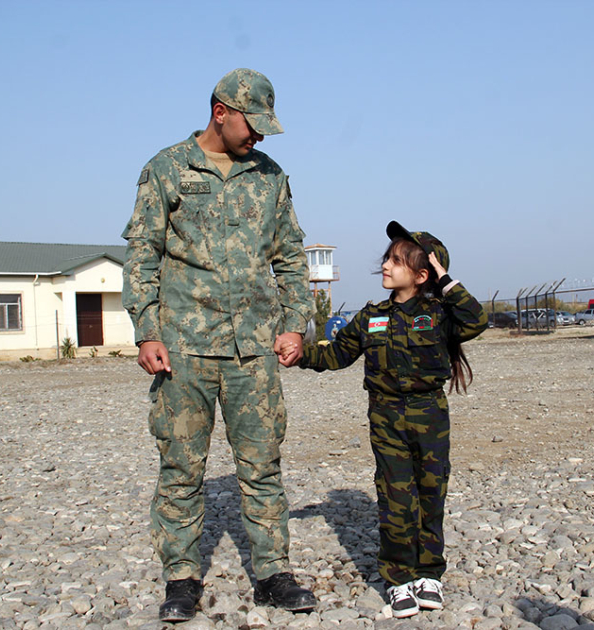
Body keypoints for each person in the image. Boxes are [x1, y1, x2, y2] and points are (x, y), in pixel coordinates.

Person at [121, 68, 316, 623]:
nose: (259, 136)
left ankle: (273, 572)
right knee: (181, 467)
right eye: (252, 125)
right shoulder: (167, 169)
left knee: (262, 464)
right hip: (184, 347)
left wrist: (296, 322)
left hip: (253, 348)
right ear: (220, 112)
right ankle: (181, 578)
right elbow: (142, 254)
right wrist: (148, 330)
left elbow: (292, 256)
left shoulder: (271, 177)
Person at [286, 221, 487, 618]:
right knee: (396, 498)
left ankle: (429, 573)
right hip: (386, 417)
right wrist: (300, 355)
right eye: (387, 259)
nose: (386, 266)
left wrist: (444, 279)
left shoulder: (441, 313)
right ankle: (398, 579)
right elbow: (336, 354)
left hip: (430, 416)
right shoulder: (371, 316)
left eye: (397, 261)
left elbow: (476, 319)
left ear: (422, 273)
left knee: (431, 495)